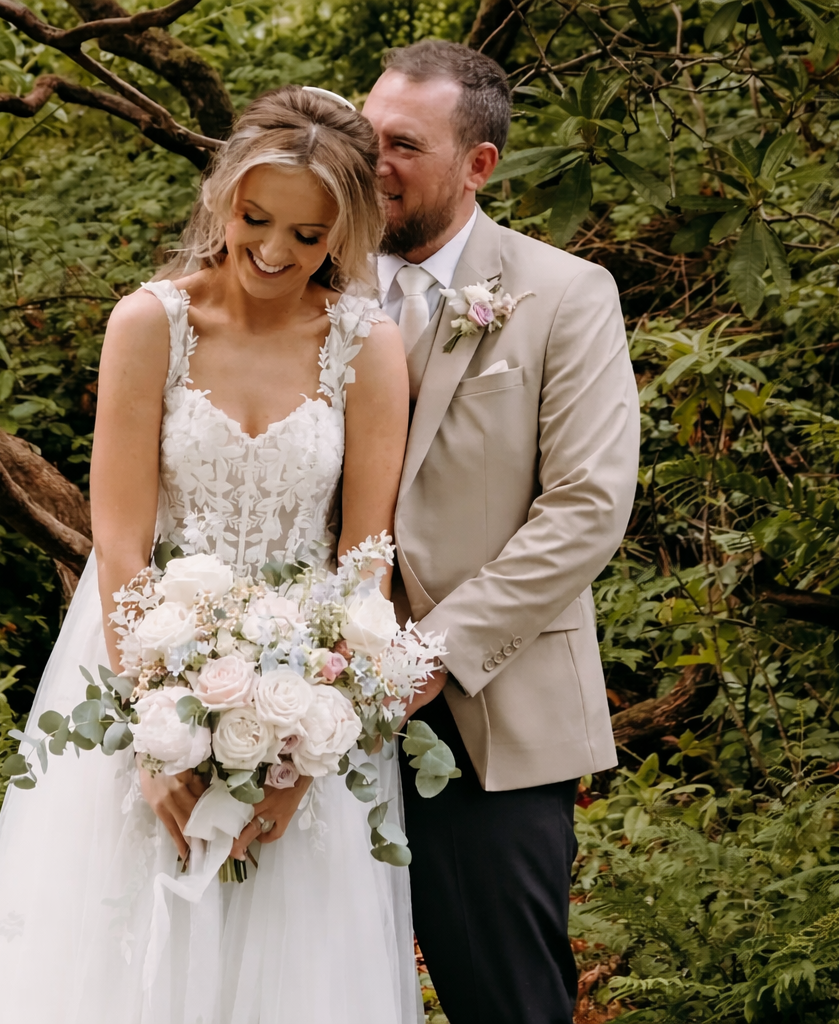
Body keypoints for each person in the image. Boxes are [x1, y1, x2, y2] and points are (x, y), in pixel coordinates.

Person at [0, 86, 422, 1024]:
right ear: (222, 195)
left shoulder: (367, 345)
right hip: (139, 655)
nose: (273, 252)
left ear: (343, 235)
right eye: (255, 218)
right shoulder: (151, 322)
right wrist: (153, 733)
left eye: (308, 237)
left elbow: (364, 560)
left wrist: (307, 750)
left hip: (308, 681)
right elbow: (118, 538)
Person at [363, 41, 640, 1024]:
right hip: (300, 706)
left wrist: (431, 652)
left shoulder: (564, 294)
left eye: (402, 144)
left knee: (507, 1001)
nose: (372, 160)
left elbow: (586, 506)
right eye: (365, 134)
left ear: (478, 164)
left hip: (489, 709)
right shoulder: (307, 280)